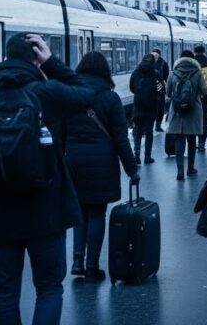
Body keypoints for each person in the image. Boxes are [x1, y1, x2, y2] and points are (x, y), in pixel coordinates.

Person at [0, 34, 83, 325]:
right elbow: (91, 91)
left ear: (3, 56)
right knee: (49, 288)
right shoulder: (46, 93)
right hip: (47, 213)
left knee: (4, 294)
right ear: (36, 58)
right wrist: (52, 64)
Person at [65, 52, 140, 281]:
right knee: (97, 212)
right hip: (102, 162)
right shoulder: (110, 98)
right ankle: (91, 266)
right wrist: (132, 170)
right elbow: (120, 138)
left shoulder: (69, 95)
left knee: (79, 213)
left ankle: (77, 260)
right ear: (105, 71)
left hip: (73, 161)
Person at [166, 50, 207, 180]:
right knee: (191, 140)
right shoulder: (197, 73)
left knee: (179, 139)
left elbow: (168, 93)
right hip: (193, 109)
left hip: (177, 110)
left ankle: (180, 170)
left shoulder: (173, 73)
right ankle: (190, 168)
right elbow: (205, 91)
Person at [129, 54, 161, 164]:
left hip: (138, 107)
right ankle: (147, 156)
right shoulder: (156, 73)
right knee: (149, 132)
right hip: (151, 107)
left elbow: (132, 88)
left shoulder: (135, 72)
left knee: (137, 131)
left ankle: (136, 153)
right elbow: (160, 89)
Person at [152, 48, 170, 132]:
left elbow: (167, 77)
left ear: (159, 55)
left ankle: (158, 125)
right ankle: (155, 125)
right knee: (156, 108)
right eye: (153, 54)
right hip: (152, 89)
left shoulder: (163, 64)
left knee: (160, 108)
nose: (155, 55)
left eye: (156, 54)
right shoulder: (150, 63)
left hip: (160, 89)